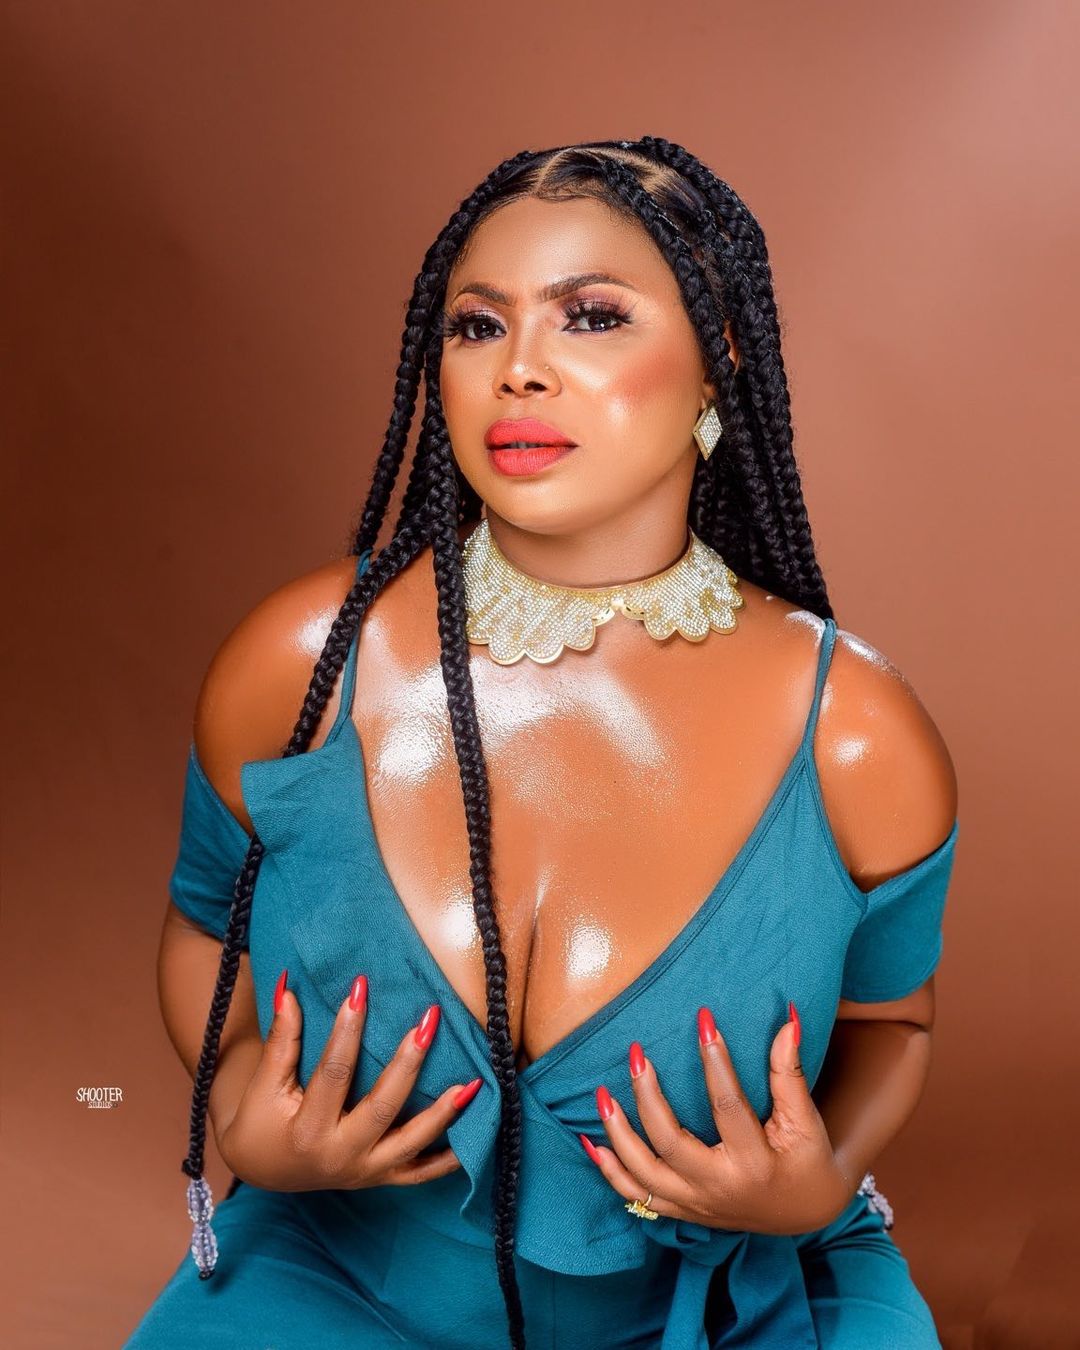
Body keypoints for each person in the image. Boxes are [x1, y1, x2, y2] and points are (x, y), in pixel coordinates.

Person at [125, 138, 960, 1348]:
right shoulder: (301, 666)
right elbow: (206, 921)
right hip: (340, 1281)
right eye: (478, 327)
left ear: (718, 360)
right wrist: (244, 1099)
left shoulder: (856, 734)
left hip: (736, 1303)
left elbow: (892, 1020)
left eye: (593, 317)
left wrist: (820, 1180)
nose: (519, 369)